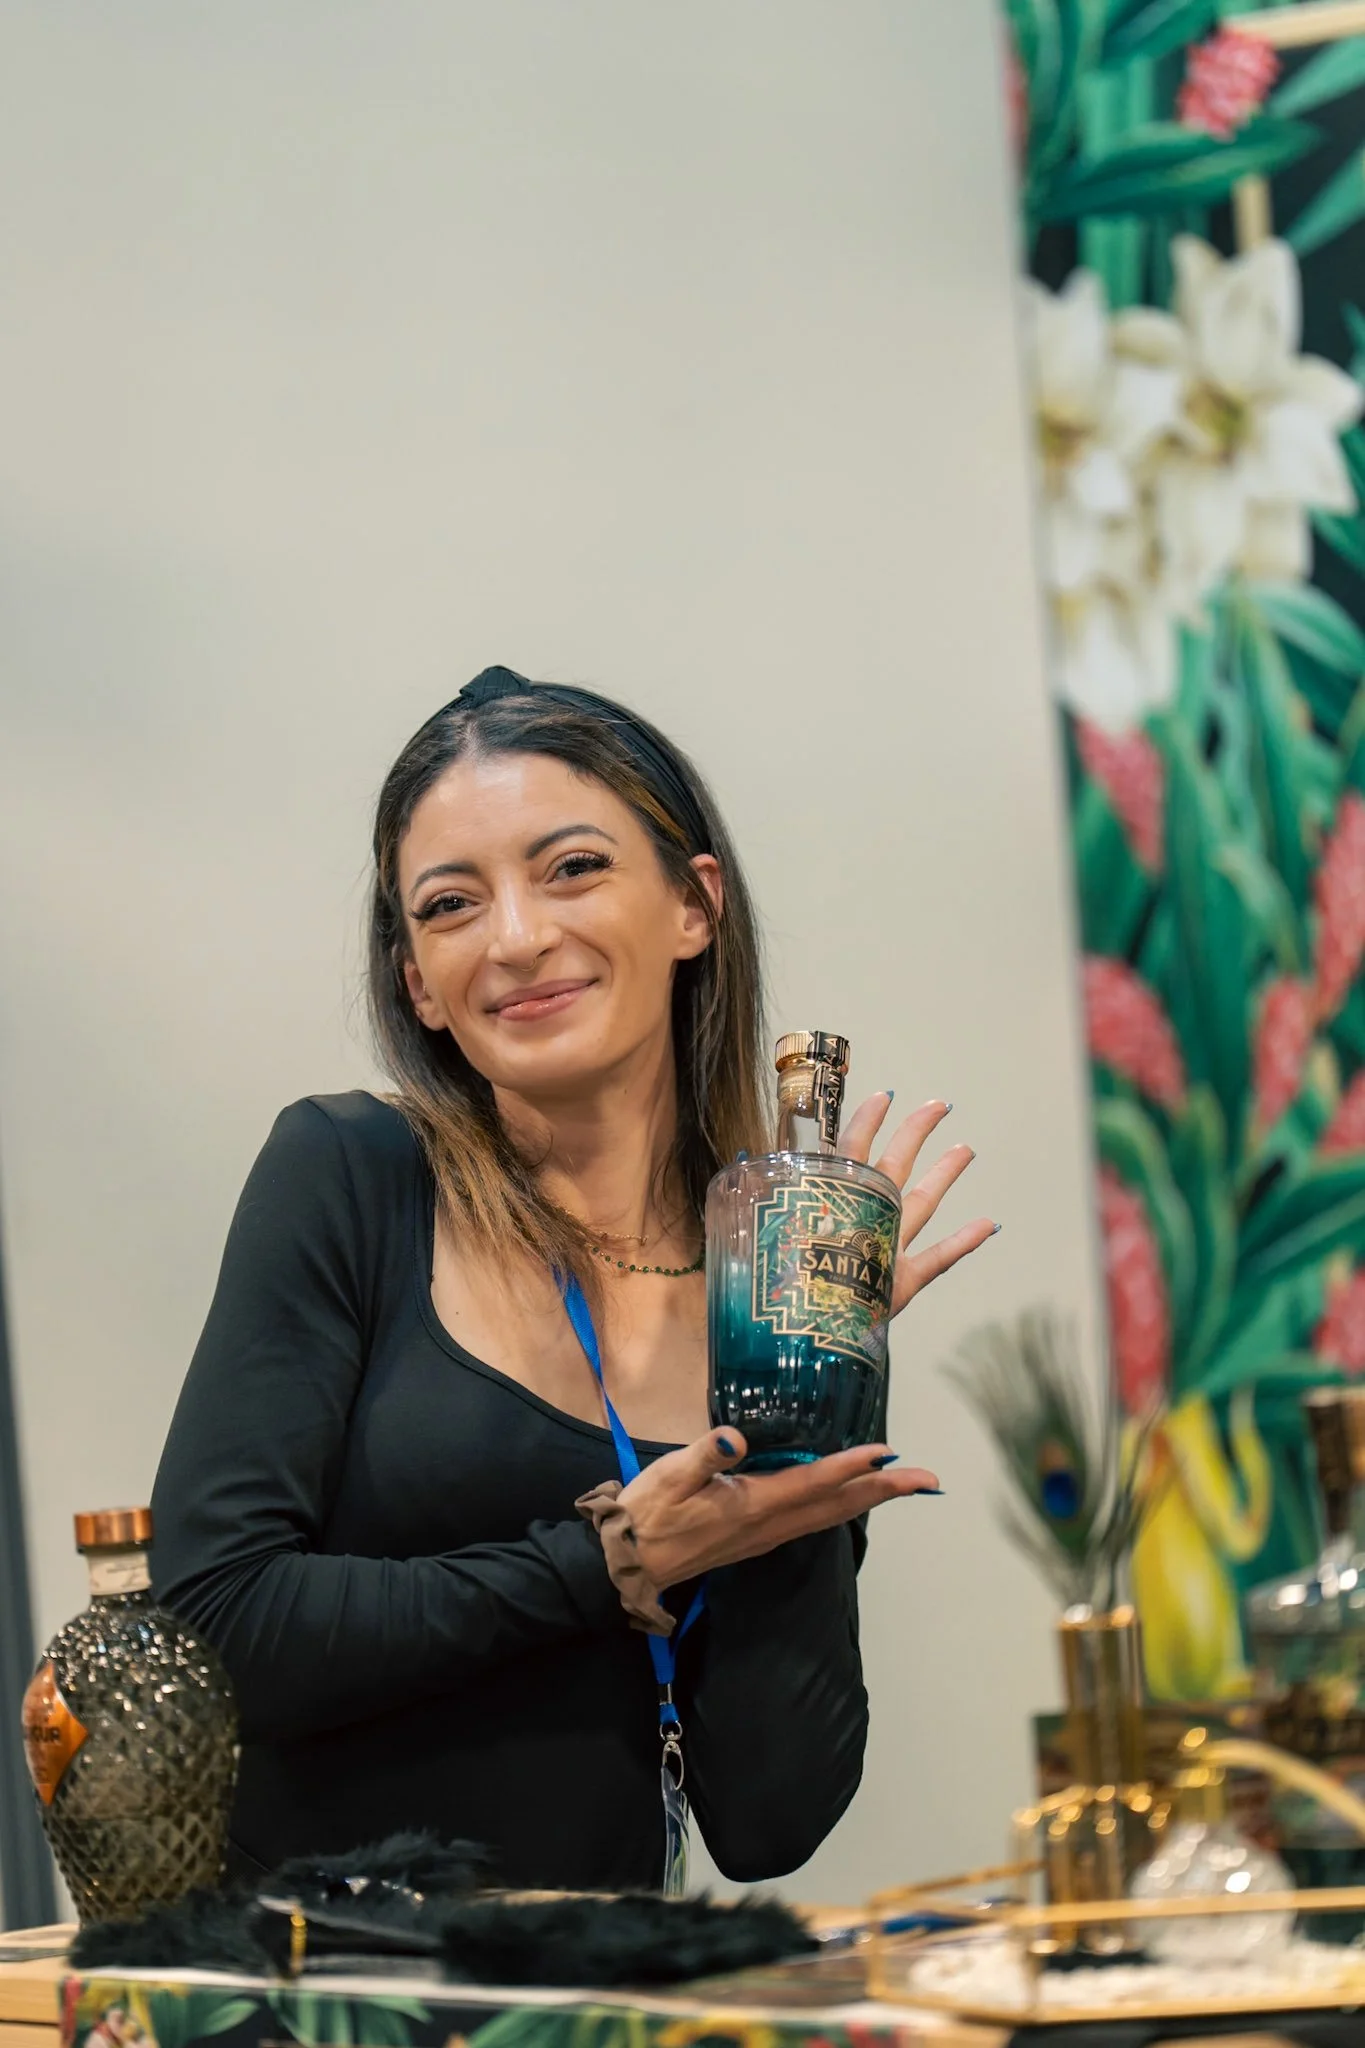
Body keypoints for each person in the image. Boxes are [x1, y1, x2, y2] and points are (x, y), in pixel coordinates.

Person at [150, 667, 997, 1892]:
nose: (515, 936)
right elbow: (216, 1626)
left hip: (599, 1978)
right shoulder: (348, 1173)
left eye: (573, 867)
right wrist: (600, 1564)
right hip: (332, 1977)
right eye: (450, 904)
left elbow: (769, 1818)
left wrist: (811, 1399)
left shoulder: (772, 1280)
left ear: (694, 904)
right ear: (417, 981)